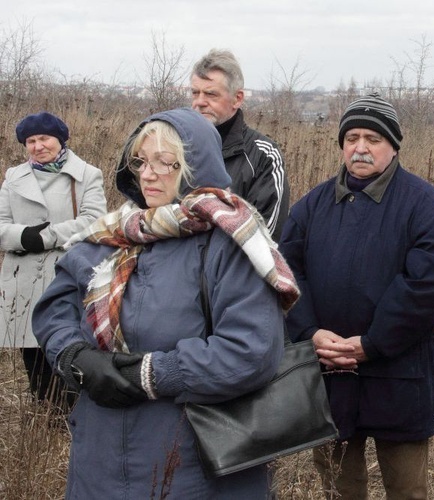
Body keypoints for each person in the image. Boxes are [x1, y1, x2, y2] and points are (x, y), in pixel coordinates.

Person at [32, 108, 299, 498]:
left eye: (166, 162)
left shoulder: (230, 244)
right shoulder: (113, 235)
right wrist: (74, 356)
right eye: (140, 160)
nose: (148, 173)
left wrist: (153, 373)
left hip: (193, 462)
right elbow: (56, 308)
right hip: (100, 459)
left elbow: (250, 350)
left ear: (195, 168)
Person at [279, 93, 434, 499]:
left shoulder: (423, 204)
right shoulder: (312, 206)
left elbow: (431, 286)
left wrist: (373, 343)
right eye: (352, 137)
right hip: (329, 369)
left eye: (373, 138)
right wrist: (309, 331)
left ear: (393, 145)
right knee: (339, 485)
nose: (360, 147)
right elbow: (286, 273)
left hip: (400, 373)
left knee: (407, 488)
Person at [0, 111, 106, 410]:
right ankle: (45, 414)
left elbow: (94, 221)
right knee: (33, 354)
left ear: (60, 140)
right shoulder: (14, 177)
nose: (37, 146)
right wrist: (23, 237)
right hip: (23, 280)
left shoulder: (87, 174)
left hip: (66, 275)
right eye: (30, 141)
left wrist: (46, 237)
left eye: (44, 138)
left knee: (68, 346)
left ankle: (71, 414)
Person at [191, 48, 289, 241]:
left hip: (232, 270)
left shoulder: (263, 156)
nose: (200, 102)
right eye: (195, 93)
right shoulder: (176, 148)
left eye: (211, 94)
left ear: (237, 99)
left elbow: (266, 238)